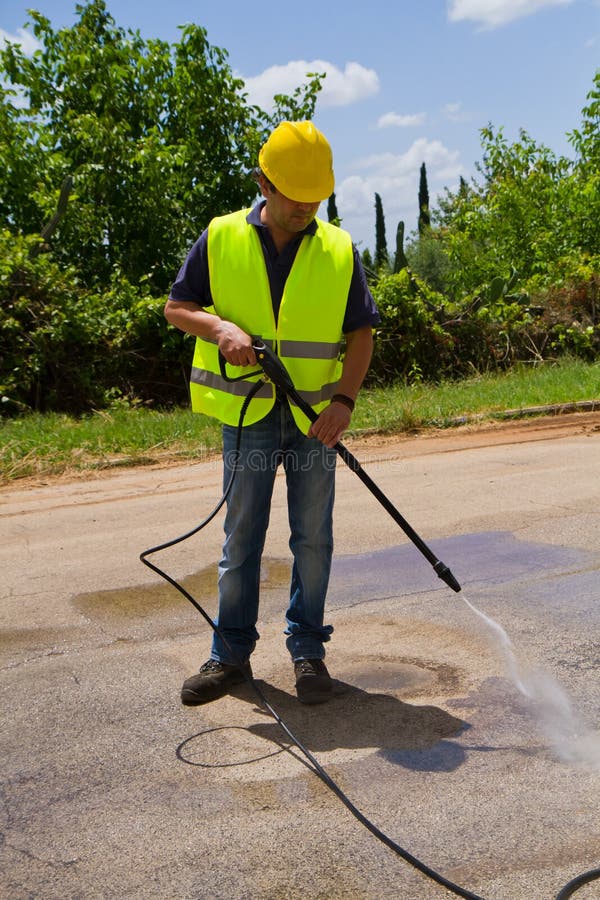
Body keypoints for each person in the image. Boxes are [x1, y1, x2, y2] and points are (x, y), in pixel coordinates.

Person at [164, 120, 380, 706]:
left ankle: (308, 651)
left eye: (316, 199)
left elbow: (361, 333)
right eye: (294, 197)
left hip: (315, 420)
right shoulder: (221, 236)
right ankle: (230, 656)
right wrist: (219, 327)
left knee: (313, 538)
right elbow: (177, 307)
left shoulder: (338, 249)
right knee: (241, 537)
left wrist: (344, 401)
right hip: (249, 415)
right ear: (264, 183)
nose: (305, 208)